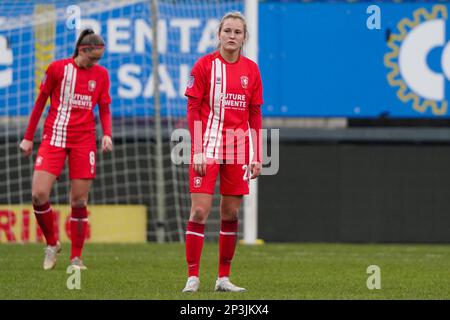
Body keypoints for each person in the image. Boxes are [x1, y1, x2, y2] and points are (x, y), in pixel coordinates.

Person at [182, 11, 263, 292]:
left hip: (239, 149)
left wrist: (256, 154)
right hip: (207, 147)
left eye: (237, 32)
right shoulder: (204, 66)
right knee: (200, 211)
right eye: (227, 31)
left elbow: (254, 113)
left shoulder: (251, 70)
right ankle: (193, 277)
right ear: (218, 34)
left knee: (230, 214)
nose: (231, 36)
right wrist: (197, 150)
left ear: (244, 38)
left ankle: (223, 278)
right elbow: (193, 110)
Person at [19, 28, 112, 270]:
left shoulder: (101, 75)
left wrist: (107, 135)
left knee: (79, 200)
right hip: (54, 138)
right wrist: (28, 137)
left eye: (98, 60)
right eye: (92, 58)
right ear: (82, 51)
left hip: (84, 141)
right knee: (38, 194)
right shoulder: (57, 69)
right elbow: (40, 103)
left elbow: (104, 107)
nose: (95, 63)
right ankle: (52, 244)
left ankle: (76, 258)